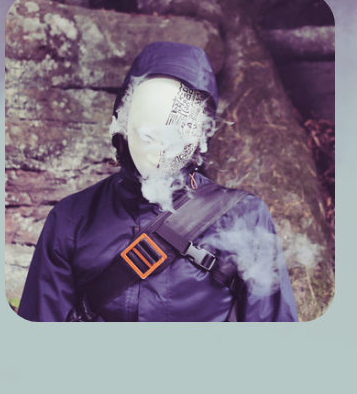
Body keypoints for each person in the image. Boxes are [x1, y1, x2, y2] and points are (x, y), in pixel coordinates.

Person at [18, 41, 299, 321]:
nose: (159, 148)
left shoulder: (245, 218)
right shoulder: (71, 219)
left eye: (174, 132)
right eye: (148, 131)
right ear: (122, 122)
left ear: (200, 136)